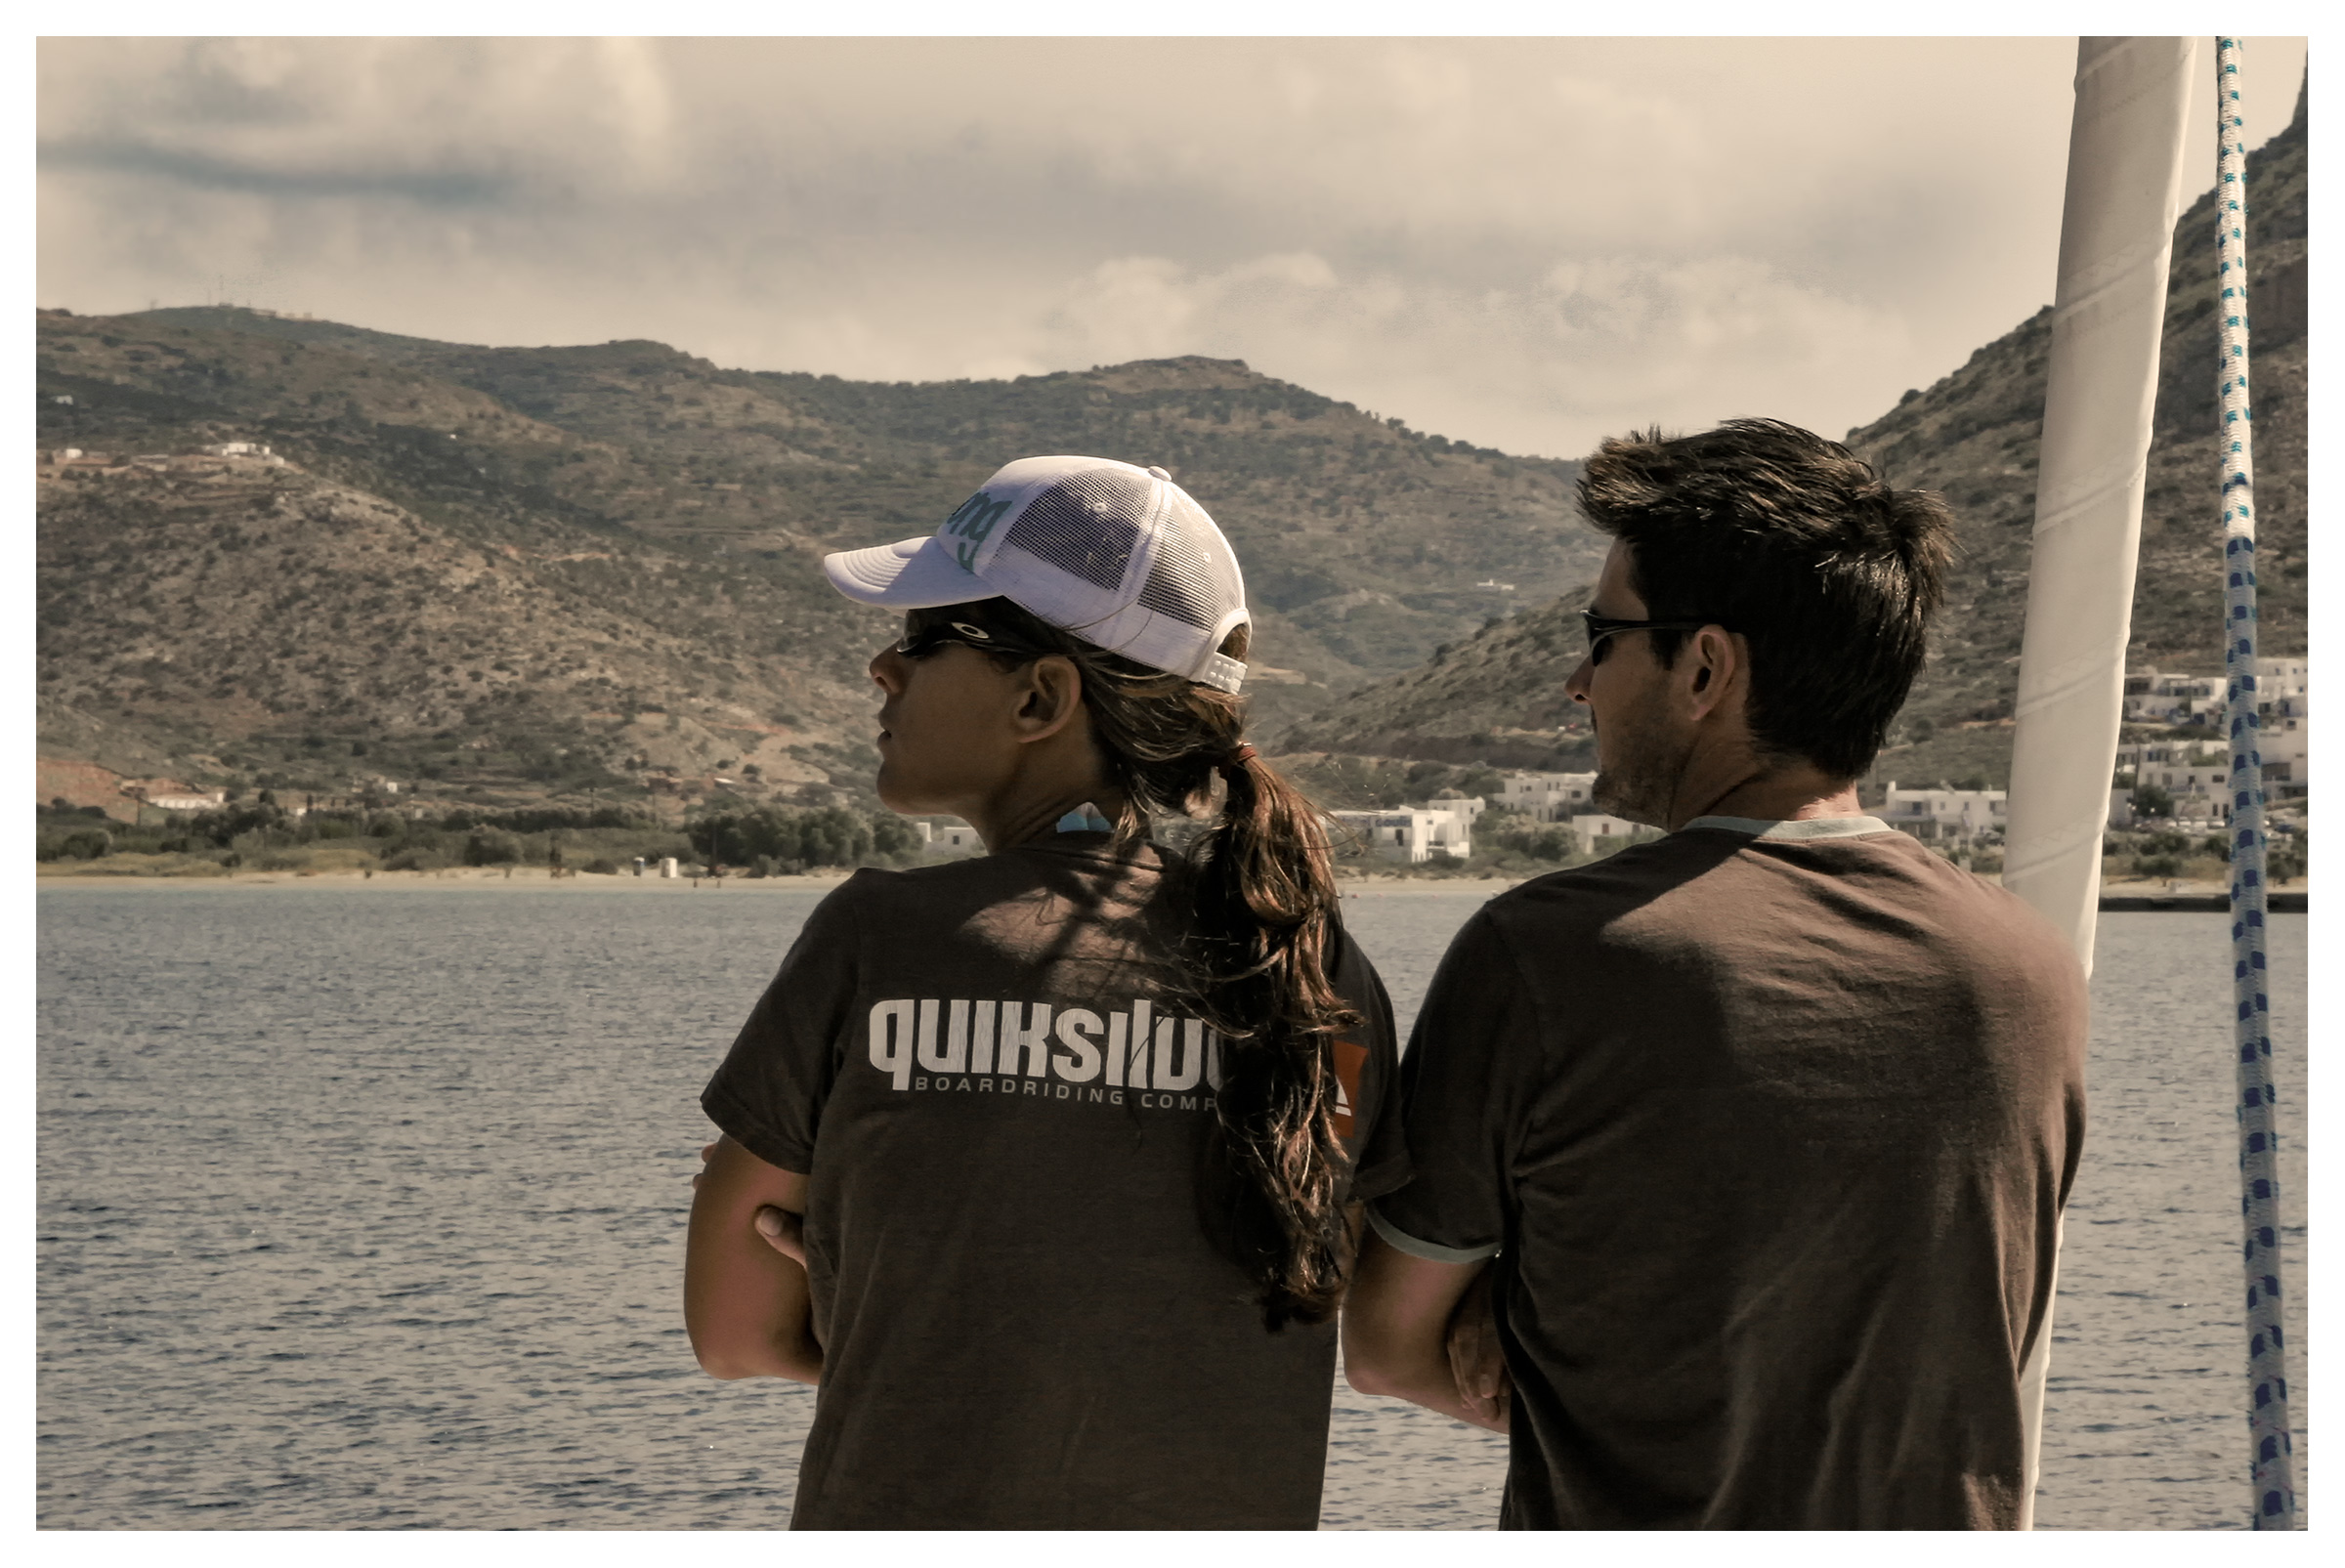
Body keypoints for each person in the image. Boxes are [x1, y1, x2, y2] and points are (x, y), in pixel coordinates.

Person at [1341, 419, 2089, 1530]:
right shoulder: (2029, 970)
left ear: (1704, 667)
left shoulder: (1552, 958)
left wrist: (1540, 1336)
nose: (1575, 683)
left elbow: (1389, 1348)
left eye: (1602, 638)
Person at [685, 454, 1406, 1529]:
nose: (885, 667)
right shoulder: (1313, 975)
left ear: (1041, 696)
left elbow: (735, 1333)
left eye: (927, 640)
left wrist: (894, 1293)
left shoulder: (881, 939)